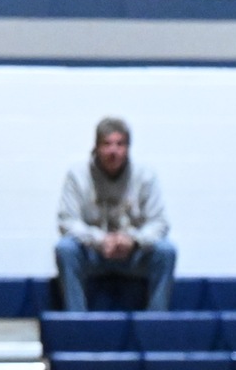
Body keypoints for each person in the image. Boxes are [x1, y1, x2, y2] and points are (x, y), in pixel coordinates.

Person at [54, 117, 174, 314]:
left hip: (133, 254)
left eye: (120, 144)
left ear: (128, 148)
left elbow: (159, 222)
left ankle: (156, 323)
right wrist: (100, 240)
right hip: (93, 252)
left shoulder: (146, 175)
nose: (113, 151)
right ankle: (76, 321)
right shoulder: (77, 175)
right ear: (96, 147)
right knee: (65, 249)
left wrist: (133, 240)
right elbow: (67, 221)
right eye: (107, 144)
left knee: (166, 251)